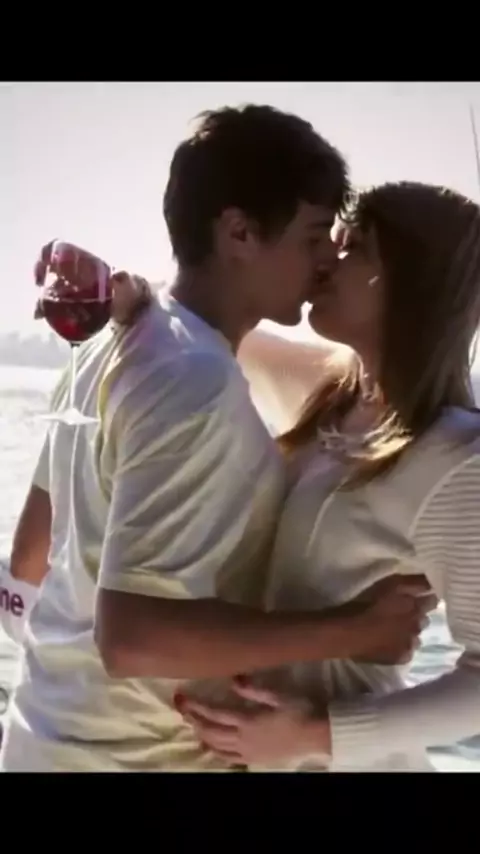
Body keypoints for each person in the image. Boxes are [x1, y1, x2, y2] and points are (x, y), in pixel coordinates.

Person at [0, 106, 430, 772]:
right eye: (314, 234)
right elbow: (130, 641)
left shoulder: (119, 338)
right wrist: (353, 631)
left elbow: (31, 553)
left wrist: (63, 688)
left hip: (41, 738)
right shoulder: (193, 379)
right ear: (239, 232)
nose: (327, 257)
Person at [175, 180, 480, 772]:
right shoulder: (332, 396)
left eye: (355, 246)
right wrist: (132, 294)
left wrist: (318, 735)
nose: (327, 259)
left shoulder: (456, 456)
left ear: (410, 281)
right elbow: (204, 317)